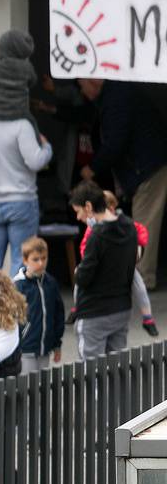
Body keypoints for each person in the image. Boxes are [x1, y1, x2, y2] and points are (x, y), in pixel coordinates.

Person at [0, 60, 53, 272]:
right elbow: (35, 161)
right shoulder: (22, 125)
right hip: (22, 201)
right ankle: (17, 305)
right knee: (21, 262)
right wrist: (47, 148)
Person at [94, 80, 167, 289]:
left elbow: (115, 142)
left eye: (81, 85)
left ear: (93, 79)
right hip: (145, 166)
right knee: (142, 222)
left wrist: (94, 167)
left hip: (146, 168)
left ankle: (143, 279)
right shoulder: (116, 95)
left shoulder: (116, 99)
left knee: (144, 223)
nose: (81, 90)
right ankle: (138, 277)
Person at [72, 182, 139, 359]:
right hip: (122, 309)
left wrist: (78, 272)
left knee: (91, 375)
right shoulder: (130, 227)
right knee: (116, 371)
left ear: (88, 206)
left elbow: (84, 277)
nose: (78, 217)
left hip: (94, 313)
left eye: (78, 211)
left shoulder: (97, 236)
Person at [13, 238, 65, 371]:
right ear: (25, 261)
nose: (41, 263)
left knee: (42, 386)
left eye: (44, 258)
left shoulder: (51, 283)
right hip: (25, 349)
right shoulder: (18, 286)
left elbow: (58, 313)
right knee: (27, 386)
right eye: (35, 259)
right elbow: (11, 318)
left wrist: (56, 344)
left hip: (45, 348)